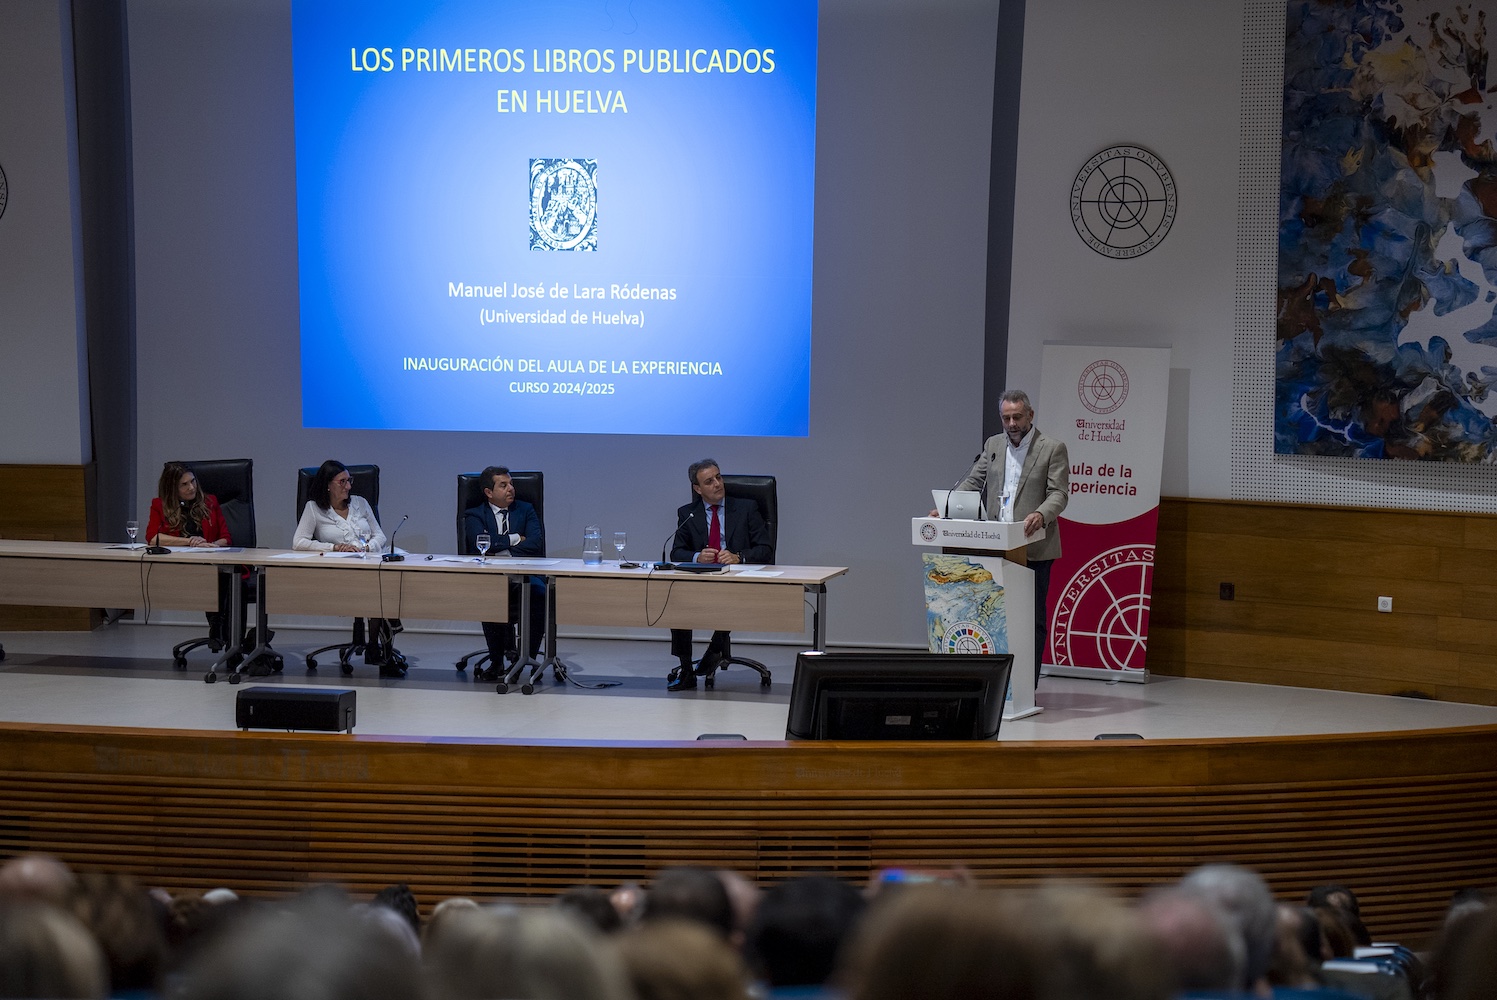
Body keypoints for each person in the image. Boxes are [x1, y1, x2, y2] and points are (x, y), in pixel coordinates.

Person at [945, 389, 1068, 686]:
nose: (1011, 423)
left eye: (1017, 417)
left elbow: (1059, 493)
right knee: (993, 617)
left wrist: (1041, 513)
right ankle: (996, 686)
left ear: (1030, 415)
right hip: (995, 545)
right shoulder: (994, 444)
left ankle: (1027, 686)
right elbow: (975, 480)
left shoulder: (1051, 447)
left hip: (1033, 547)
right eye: (1006, 417)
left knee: (1031, 621)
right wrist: (947, 507)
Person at [293, 460, 406, 677]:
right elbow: (299, 542)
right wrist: (334, 548)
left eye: (349, 481)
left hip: (369, 562)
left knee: (388, 580)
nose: (348, 486)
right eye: (342, 482)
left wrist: (365, 547)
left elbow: (379, 535)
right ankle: (379, 650)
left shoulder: (361, 504)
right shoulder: (313, 508)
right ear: (328, 485)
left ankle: (378, 648)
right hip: (340, 570)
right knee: (380, 587)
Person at [666, 459, 771, 692]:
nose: (717, 484)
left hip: (737, 578)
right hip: (703, 578)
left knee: (730, 598)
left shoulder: (746, 508)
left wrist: (739, 556)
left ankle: (716, 646)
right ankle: (686, 671)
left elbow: (765, 549)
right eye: (709, 481)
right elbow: (676, 552)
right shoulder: (687, 514)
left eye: (719, 477)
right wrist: (696, 557)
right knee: (677, 598)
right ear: (697, 489)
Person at [461, 466, 546, 680]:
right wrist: (516, 538)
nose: (511, 489)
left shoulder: (526, 509)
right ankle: (496, 661)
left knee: (540, 593)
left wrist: (501, 550)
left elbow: (536, 543)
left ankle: (529, 658)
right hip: (492, 578)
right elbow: (481, 543)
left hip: (527, 575)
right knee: (491, 593)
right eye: (504, 485)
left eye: (511, 484)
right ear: (489, 492)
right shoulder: (474, 514)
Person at [145, 462, 240, 649]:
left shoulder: (210, 502)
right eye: (184, 484)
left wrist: (212, 545)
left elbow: (226, 538)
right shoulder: (159, 505)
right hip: (179, 567)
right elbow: (152, 538)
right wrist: (189, 541)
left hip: (210, 563)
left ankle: (221, 631)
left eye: (193, 481)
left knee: (226, 577)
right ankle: (222, 632)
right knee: (220, 579)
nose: (191, 487)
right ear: (172, 488)